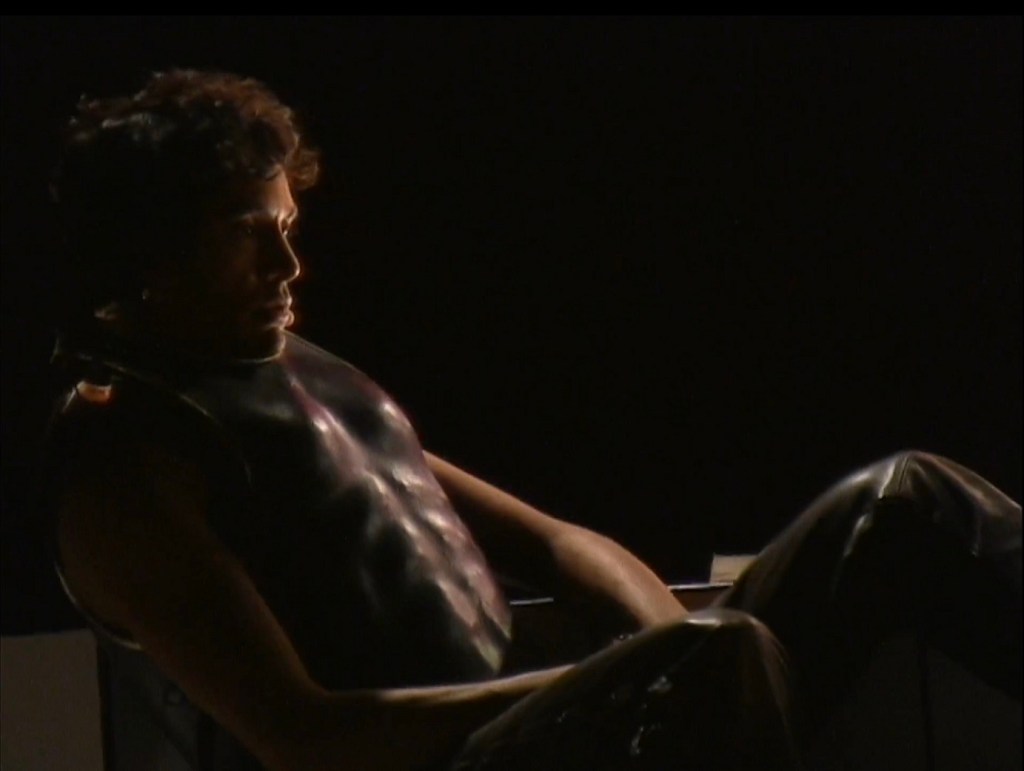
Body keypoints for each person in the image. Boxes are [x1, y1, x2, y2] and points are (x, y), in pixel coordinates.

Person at [39, 68, 1020, 771]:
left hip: (568, 710)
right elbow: (303, 736)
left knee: (905, 499)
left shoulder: (294, 367)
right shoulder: (126, 460)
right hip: (466, 755)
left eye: (288, 229)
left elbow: (555, 541)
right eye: (246, 238)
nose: (290, 268)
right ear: (152, 249)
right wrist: (664, 669)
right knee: (715, 654)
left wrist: (666, 644)